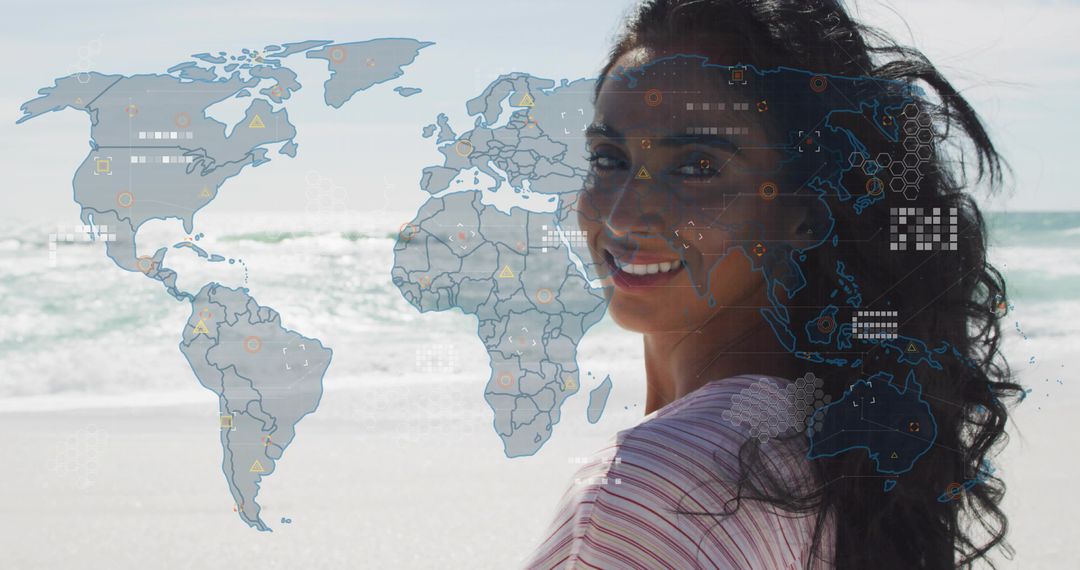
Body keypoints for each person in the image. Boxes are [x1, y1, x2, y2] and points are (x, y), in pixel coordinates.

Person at [525, 1, 1021, 568]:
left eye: (697, 167)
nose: (621, 216)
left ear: (803, 211)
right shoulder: (834, 449)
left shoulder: (649, 494)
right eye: (608, 158)